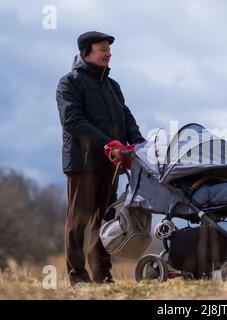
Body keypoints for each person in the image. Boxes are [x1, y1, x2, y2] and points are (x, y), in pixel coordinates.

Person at [56, 31, 145, 286]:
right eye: (102, 49)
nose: (108, 53)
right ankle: (77, 277)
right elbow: (73, 121)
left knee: (105, 221)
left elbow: (126, 117)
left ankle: (102, 275)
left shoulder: (113, 86)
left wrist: (138, 145)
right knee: (78, 222)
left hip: (112, 164)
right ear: (87, 52)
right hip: (82, 162)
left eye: (109, 49)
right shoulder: (69, 83)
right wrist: (108, 144)